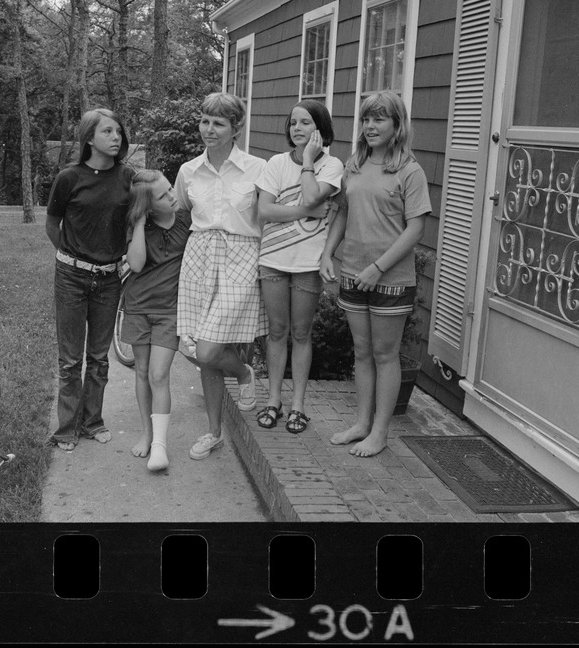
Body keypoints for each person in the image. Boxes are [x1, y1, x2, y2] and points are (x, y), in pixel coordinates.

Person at [319, 91, 431, 458]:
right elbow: (342, 214)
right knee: (362, 353)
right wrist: (327, 253)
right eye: (366, 119)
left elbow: (415, 230)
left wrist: (377, 268)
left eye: (379, 119)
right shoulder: (355, 164)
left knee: (386, 356)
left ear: (397, 125)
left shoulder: (409, 171)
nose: (370, 126)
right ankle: (361, 424)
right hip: (352, 273)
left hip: (390, 280)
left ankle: (380, 432)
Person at [175, 92, 268, 460]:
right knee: (200, 351)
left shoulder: (257, 169)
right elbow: (180, 212)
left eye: (218, 123)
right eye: (204, 121)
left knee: (208, 349)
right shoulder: (188, 171)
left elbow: (269, 216)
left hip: (241, 257)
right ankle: (213, 433)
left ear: (236, 128)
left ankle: (244, 374)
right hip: (198, 257)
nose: (208, 130)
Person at [45, 108, 135, 452]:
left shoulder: (128, 178)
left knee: (99, 358)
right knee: (70, 360)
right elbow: (53, 226)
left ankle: (92, 421)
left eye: (118, 132)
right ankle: (67, 428)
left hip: (109, 281)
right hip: (70, 278)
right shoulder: (69, 178)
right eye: (108, 132)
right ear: (89, 139)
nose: (116, 137)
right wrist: (74, 256)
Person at [255, 100, 344, 434]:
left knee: (301, 333)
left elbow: (309, 197)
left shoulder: (333, 166)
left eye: (305, 123)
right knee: (277, 332)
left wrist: (308, 161)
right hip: (273, 260)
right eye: (293, 123)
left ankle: (298, 406)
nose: (297, 129)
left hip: (307, 263)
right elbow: (265, 211)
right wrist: (306, 213)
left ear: (320, 128)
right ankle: (274, 400)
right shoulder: (276, 163)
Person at [122, 169, 192, 471]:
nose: (173, 195)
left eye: (170, 189)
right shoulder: (138, 226)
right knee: (141, 372)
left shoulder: (187, 221)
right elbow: (135, 264)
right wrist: (139, 221)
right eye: (164, 195)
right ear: (148, 206)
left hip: (169, 311)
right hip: (138, 307)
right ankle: (147, 434)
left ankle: (161, 446)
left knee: (158, 375)